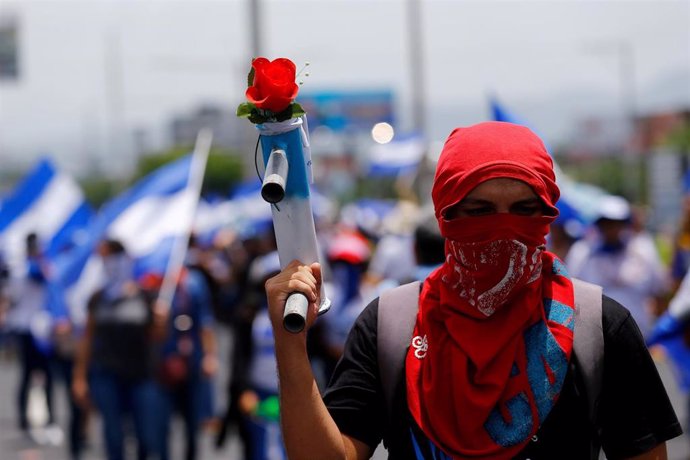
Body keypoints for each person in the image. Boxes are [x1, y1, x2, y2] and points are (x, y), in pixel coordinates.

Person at [264, 121, 682, 459]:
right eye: (478, 212)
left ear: (549, 216)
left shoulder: (598, 327)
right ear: (446, 218)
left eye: (524, 210)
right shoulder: (391, 325)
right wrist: (290, 344)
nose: (502, 229)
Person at [72, 239, 165, 460]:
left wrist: (161, 321)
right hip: (107, 375)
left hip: (140, 375)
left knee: (145, 435)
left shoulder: (145, 297)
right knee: (113, 435)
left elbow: (158, 339)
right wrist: (79, 377)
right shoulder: (98, 298)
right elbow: (87, 339)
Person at [566, 195, 669, 338]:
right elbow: (570, 295)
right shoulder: (582, 253)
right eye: (606, 222)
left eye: (617, 223)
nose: (612, 228)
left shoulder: (642, 250)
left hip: (639, 336)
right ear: (599, 224)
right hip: (596, 339)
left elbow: (659, 293)